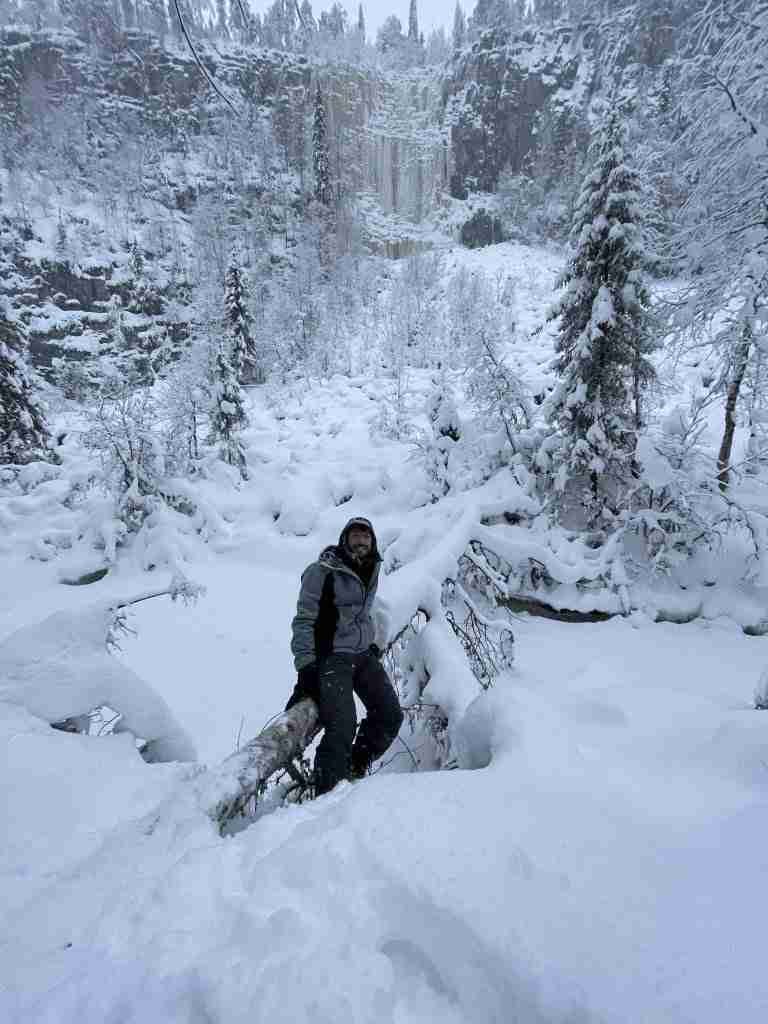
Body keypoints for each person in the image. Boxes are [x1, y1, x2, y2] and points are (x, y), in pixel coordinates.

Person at [286, 516, 404, 795]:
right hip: (332, 658)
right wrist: (306, 667)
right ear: (344, 540)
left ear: (373, 542)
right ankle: (327, 794)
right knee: (342, 726)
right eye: (355, 536)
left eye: (366, 536)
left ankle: (354, 767)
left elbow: (366, 611)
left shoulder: (371, 568)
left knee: (390, 715)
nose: (361, 541)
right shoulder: (322, 571)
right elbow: (304, 620)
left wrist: (373, 641)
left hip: (362, 655)